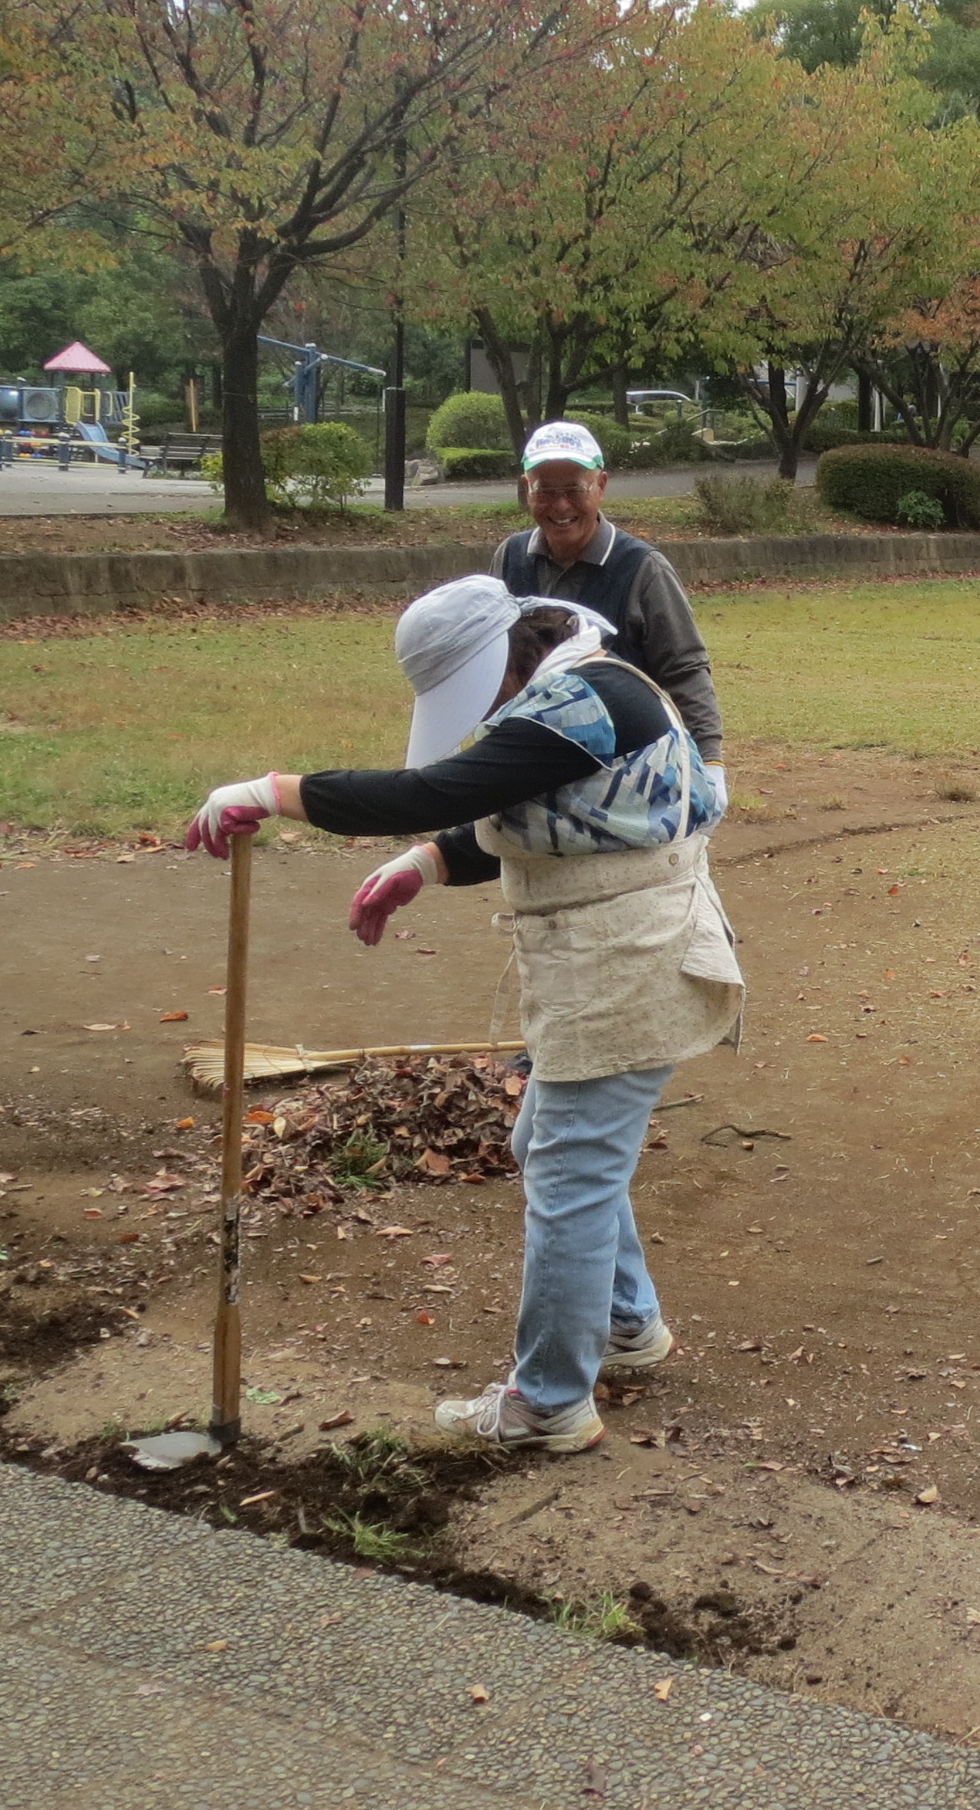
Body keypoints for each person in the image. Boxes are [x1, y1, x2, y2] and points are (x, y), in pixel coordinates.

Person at [182, 574, 739, 1453]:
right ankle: (628, 1323)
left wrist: (272, 790)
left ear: (506, 658)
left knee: (568, 1174)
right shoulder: (579, 690)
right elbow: (525, 813)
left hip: (634, 965)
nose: (481, 715)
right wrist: (425, 869)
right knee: (556, 1152)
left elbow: (436, 793)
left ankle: (549, 1402)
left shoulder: (590, 700)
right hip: (615, 959)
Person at [491, 419, 725, 771]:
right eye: (545, 491)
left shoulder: (643, 569)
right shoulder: (509, 558)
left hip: (621, 768)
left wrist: (709, 761)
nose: (561, 506)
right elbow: (491, 661)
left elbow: (684, 670)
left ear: (600, 485)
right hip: (524, 759)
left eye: (574, 490)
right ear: (527, 489)